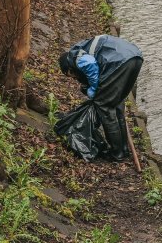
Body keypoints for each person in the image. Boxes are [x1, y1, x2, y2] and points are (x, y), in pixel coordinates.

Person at [58, 33, 143, 161]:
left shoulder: (74, 58)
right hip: (135, 57)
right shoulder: (81, 48)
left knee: (105, 108)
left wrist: (92, 89)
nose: (74, 78)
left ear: (68, 70)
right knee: (117, 104)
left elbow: (91, 65)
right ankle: (123, 149)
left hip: (119, 61)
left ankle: (117, 153)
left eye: (71, 76)